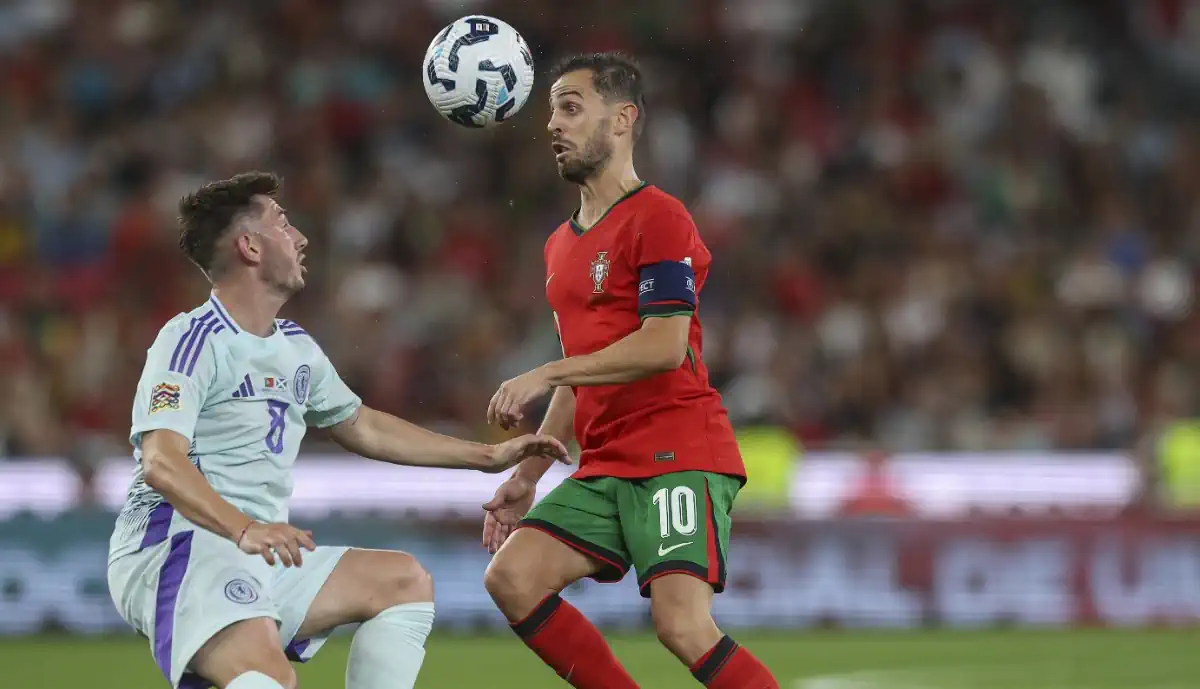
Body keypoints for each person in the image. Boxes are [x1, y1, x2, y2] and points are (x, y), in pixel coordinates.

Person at [106, 172, 569, 689]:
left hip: (255, 551)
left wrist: (486, 456)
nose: (300, 237)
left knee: (401, 582)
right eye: (282, 224)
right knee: (269, 678)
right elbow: (161, 460)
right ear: (250, 246)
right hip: (179, 543)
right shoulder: (192, 340)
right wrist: (244, 527)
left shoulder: (295, 347)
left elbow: (362, 425)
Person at [481, 53, 779, 689]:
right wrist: (529, 472)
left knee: (682, 626)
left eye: (570, 107)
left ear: (622, 119)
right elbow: (587, 373)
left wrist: (546, 372)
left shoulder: (659, 216)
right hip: (606, 464)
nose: (553, 126)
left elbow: (664, 345)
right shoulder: (558, 247)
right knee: (511, 577)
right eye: (551, 112)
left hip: (678, 447)